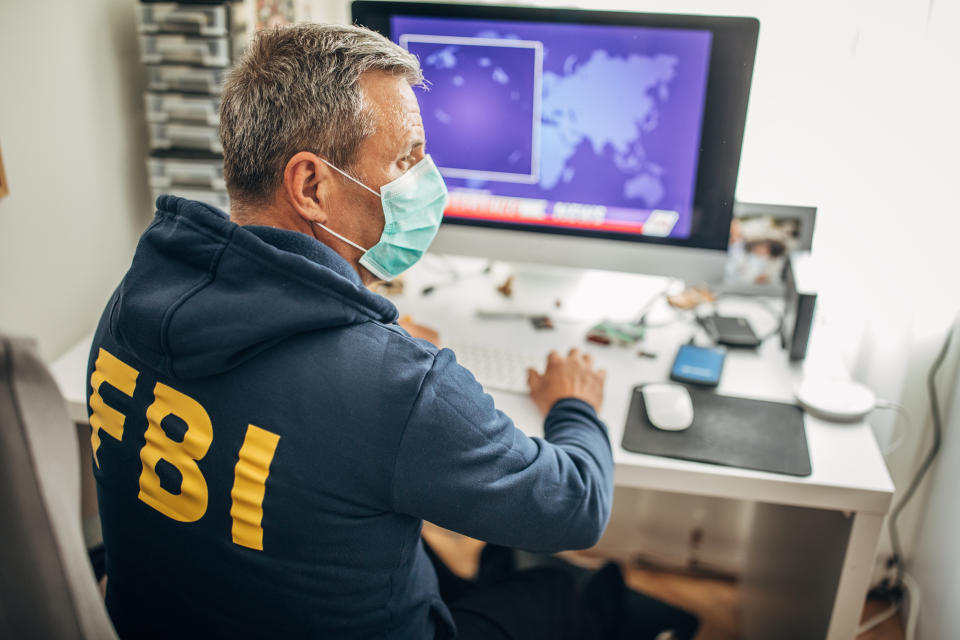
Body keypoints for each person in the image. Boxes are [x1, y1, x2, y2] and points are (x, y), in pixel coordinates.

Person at [86, 23, 613, 639]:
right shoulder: (394, 384)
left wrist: (365, 334)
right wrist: (574, 405)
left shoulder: (137, 298)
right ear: (312, 186)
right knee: (556, 588)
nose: (426, 178)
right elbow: (577, 507)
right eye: (406, 157)